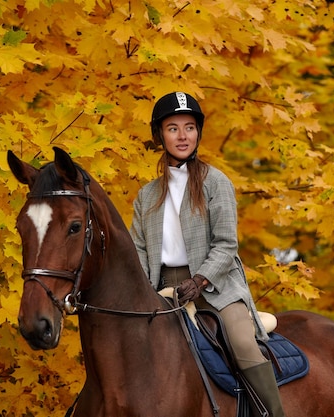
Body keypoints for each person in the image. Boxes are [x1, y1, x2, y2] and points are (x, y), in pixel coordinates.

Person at [130, 92, 285, 417]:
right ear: (160, 135)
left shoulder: (217, 183)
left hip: (217, 288)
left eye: (189, 127)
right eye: (173, 128)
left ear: (198, 133)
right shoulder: (146, 196)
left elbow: (227, 245)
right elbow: (140, 255)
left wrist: (199, 281)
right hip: (163, 292)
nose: (182, 135)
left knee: (242, 344)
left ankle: (273, 413)